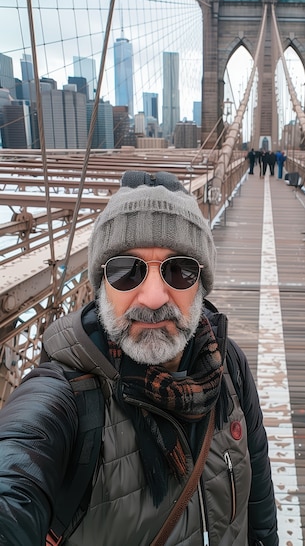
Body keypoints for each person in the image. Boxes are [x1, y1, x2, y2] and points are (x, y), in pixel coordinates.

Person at [0, 171, 279, 546]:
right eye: (124, 271)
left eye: (179, 270)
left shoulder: (228, 366)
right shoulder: (66, 398)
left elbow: (259, 506)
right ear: (100, 287)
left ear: (201, 284)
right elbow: (16, 470)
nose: (153, 298)